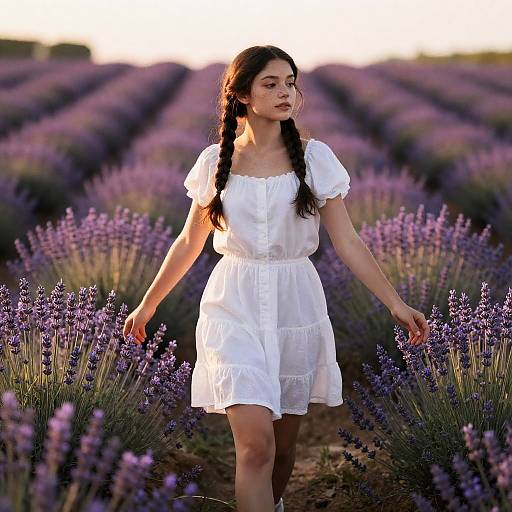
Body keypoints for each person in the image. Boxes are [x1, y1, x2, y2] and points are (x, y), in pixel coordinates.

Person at [123, 45, 430, 512]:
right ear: (243, 95)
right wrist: (148, 304)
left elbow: (348, 242)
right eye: (271, 83)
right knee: (256, 447)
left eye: (290, 82)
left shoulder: (315, 159)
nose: (286, 92)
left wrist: (395, 303)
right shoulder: (213, 162)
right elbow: (189, 242)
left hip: (296, 304)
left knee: (283, 450)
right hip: (233, 304)